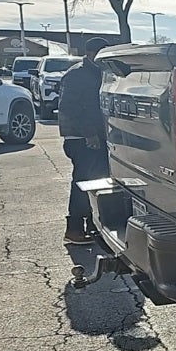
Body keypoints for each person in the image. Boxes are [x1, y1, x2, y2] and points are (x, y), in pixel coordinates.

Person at [58, 37, 110, 244]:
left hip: (92, 136)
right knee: (83, 183)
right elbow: (69, 108)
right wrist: (90, 134)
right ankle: (74, 228)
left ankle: (91, 225)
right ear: (90, 53)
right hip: (81, 138)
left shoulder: (96, 73)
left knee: (95, 182)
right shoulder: (77, 75)